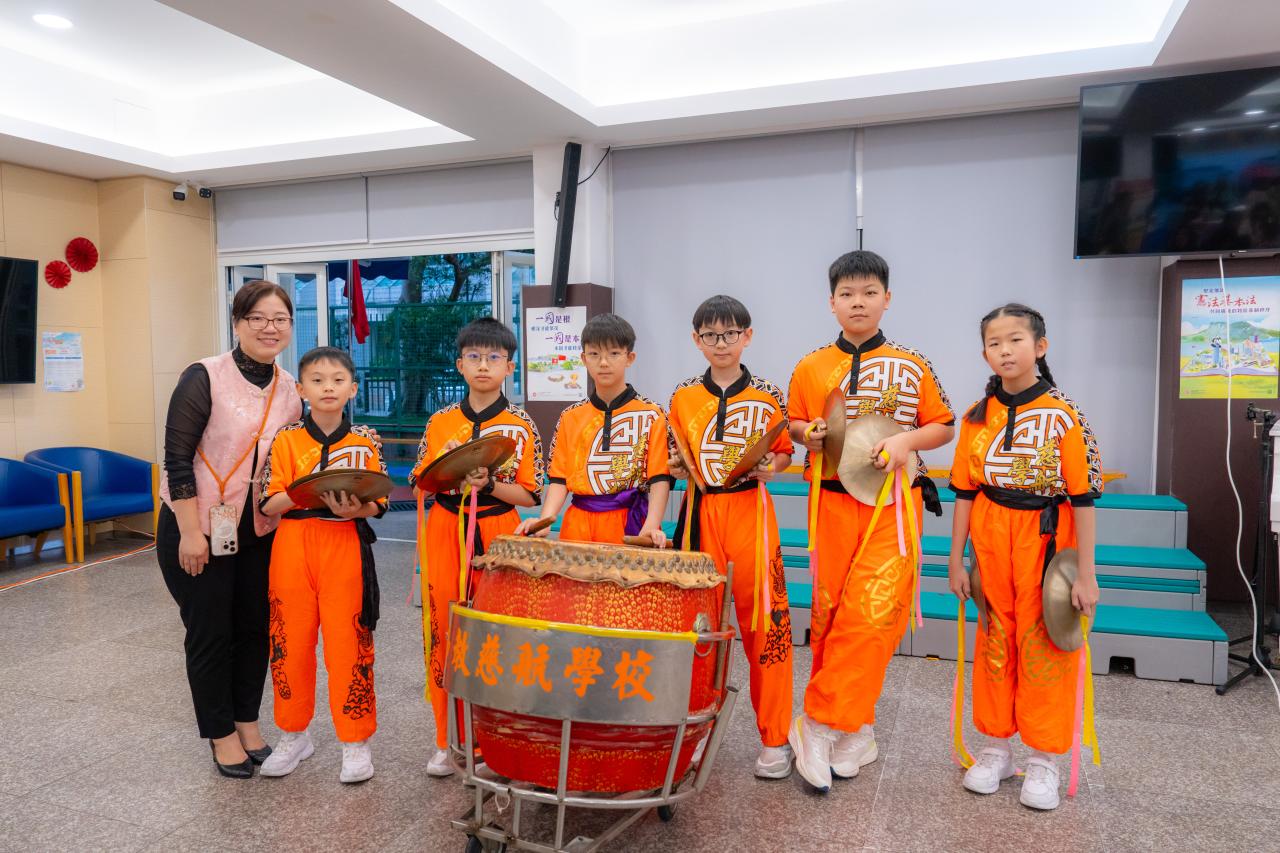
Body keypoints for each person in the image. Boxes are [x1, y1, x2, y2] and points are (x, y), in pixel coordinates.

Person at [786, 250, 955, 792]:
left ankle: (816, 724)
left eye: (868, 293)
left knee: (873, 615)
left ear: (887, 298)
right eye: (847, 294)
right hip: (831, 504)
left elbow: (943, 425)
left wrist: (906, 441)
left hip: (893, 507)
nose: (857, 302)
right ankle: (856, 728)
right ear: (831, 302)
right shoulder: (810, 366)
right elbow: (793, 422)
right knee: (832, 616)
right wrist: (807, 434)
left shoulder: (911, 363)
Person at [947, 302, 1101, 811]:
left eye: (1015, 340)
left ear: (1040, 346)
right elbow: (964, 492)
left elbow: (1083, 498)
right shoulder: (976, 416)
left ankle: (1043, 759)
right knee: (995, 636)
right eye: (994, 343)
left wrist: (1087, 575)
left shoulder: (1064, 415)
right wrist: (956, 559)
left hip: (1047, 537)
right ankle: (995, 749)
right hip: (990, 535)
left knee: (1044, 643)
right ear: (985, 354)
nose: (1005, 350)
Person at [157, 280, 302, 778]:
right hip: (197, 523)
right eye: (257, 317)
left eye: (279, 319)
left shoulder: (290, 388)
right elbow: (177, 460)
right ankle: (220, 734)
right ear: (238, 323)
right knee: (211, 633)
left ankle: (247, 722)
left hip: (259, 529)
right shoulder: (204, 376)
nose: (269, 327)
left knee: (254, 631)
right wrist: (190, 532)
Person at [666, 294, 795, 780]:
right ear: (696, 340)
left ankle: (775, 739)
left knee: (767, 625)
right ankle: (695, 731)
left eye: (731, 334)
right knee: (698, 629)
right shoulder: (682, 397)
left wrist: (772, 465)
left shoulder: (767, 394)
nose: (721, 343)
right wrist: (677, 467)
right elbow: (674, 457)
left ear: (748, 336)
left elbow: (784, 452)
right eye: (711, 335)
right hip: (699, 515)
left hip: (750, 512)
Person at [410, 318, 543, 777]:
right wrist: (446, 467)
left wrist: (489, 484)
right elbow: (420, 484)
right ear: (459, 365)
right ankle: (446, 738)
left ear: (510, 366)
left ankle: (495, 743)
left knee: (499, 635)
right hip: (446, 526)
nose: (483, 365)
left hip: (499, 529)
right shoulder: (440, 421)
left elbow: (530, 495)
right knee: (443, 630)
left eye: (493, 358)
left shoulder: (520, 424)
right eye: (474, 357)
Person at [256, 346, 388, 783]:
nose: (327, 387)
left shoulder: (365, 440)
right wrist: (304, 491)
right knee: (289, 642)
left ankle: (356, 741)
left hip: (344, 543)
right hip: (293, 543)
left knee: (349, 643)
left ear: (353, 389)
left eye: (337, 380)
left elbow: (380, 502)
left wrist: (356, 509)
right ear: (301, 389)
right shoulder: (286, 439)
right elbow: (268, 501)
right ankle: (294, 734)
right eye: (317, 380)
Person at [514, 313, 671, 545]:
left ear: (630, 358)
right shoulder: (570, 416)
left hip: (630, 525)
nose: (603, 362)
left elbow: (659, 478)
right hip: (577, 524)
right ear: (583, 358)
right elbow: (559, 479)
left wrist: (650, 526)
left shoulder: (652, 414)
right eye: (594, 354)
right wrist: (545, 520)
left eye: (614, 353)